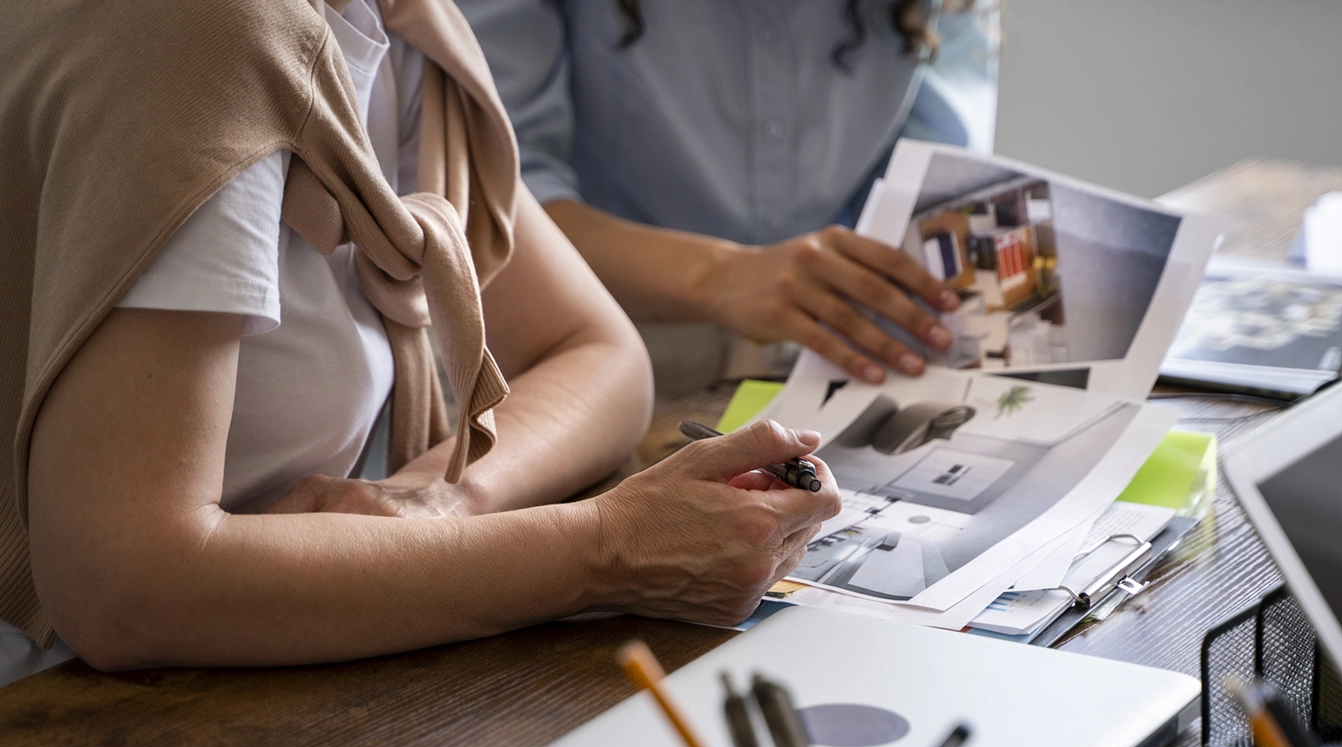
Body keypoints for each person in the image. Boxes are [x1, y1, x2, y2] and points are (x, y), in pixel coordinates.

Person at [0, 0, 840, 683]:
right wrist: (607, 548)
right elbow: (124, 592)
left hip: (264, 670)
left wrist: (440, 501)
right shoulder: (204, 32)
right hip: (63, 717)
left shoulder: (400, 23)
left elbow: (599, 351)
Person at [460, 0, 998, 384]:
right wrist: (723, 277)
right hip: (583, 350)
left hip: (822, 362)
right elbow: (485, 202)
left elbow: (925, 170)